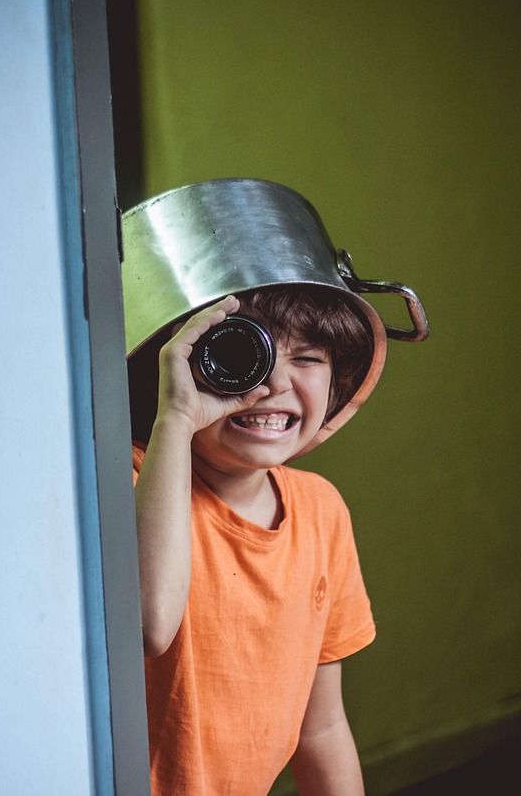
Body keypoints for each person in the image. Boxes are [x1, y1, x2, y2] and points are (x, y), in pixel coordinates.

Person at [131, 283, 379, 796]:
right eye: (242, 352)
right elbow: (150, 624)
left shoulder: (321, 510)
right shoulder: (130, 485)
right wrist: (175, 420)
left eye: (307, 358)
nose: (273, 383)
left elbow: (322, 729)